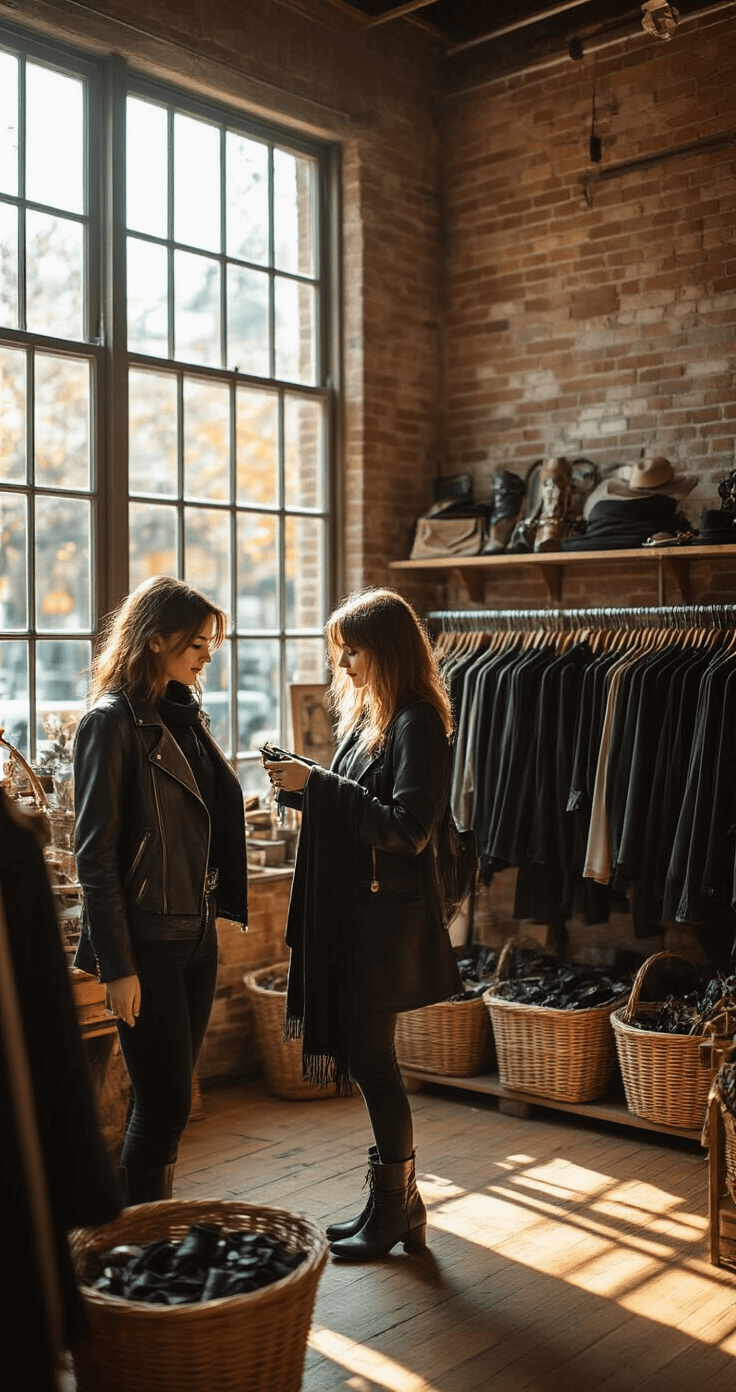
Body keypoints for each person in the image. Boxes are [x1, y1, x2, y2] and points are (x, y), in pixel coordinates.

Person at [264, 586, 461, 1260]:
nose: (342, 664)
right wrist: (303, 789)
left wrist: (317, 786)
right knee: (372, 1059)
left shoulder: (416, 723)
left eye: (351, 650)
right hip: (361, 916)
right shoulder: (375, 720)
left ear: (386, 650)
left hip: (384, 926)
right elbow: (358, 807)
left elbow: (408, 828)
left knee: (376, 1062)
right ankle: (395, 1205)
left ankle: (395, 1207)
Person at [73, 575, 248, 1204]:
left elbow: (187, 813)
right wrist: (117, 968)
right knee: (164, 1102)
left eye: (209, 644)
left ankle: (150, 1235)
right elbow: (95, 855)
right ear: (154, 641)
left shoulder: (182, 713)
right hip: (147, 943)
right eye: (196, 643)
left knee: (170, 1099)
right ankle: (139, 1245)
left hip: (195, 933)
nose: (206, 655)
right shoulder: (110, 723)